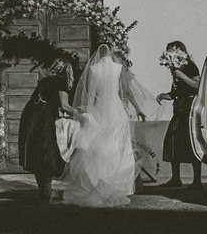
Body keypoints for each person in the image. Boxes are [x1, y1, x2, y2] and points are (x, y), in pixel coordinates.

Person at [62, 43, 149, 207]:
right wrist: (138, 109)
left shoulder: (94, 69)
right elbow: (127, 91)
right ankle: (119, 185)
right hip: (116, 110)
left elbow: (91, 94)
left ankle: (99, 182)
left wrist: (88, 113)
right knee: (119, 147)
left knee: (100, 147)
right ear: (111, 52)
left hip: (100, 109)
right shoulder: (118, 68)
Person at [18, 57, 76, 202]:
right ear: (67, 71)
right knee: (46, 152)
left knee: (35, 153)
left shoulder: (45, 81)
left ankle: (44, 191)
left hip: (30, 114)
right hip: (42, 116)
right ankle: (46, 191)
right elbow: (64, 106)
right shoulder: (60, 81)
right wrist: (81, 117)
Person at [155, 40, 202, 190]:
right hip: (179, 109)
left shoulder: (190, 67)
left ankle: (197, 181)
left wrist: (182, 75)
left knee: (191, 143)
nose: (169, 53)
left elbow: (198, 86)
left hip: (190, 109)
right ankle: (176, 178)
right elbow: (176, 92)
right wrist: (165, 95)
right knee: (172, 141)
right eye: (168, 51)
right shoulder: (174, 69)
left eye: (172, 50)